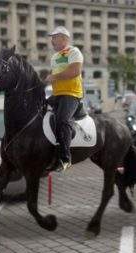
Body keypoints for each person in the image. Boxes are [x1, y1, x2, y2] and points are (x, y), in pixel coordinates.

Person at [44, 26, 84, 172]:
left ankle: (66, 159)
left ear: (63, 38)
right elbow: (56, 75)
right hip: (58, 95)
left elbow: (75, 71)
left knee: (62, 120)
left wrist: (54, 77)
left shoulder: (74, 51)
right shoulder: (54, 57)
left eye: (54, 37)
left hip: (71, 94)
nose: (52, 41)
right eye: (51, 38)